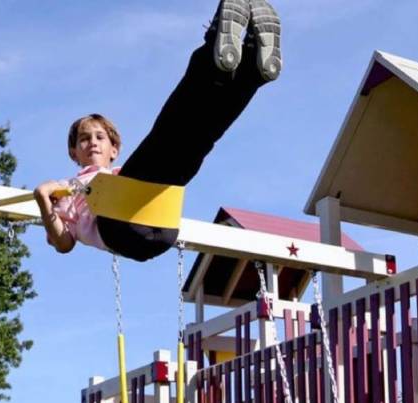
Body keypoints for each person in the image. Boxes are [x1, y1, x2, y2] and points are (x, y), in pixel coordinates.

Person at [34, 0, 281, 262]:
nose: (92, 143)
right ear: (74, 152)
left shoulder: (121, 174)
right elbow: (64, 243)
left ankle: (251, 73)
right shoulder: (64, 191)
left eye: (99, 137)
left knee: (197, 137)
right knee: (167, 134)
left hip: (159, 224)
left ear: (114, 150)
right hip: (120, 228)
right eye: (83, 139)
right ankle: (213, 50)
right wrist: (43, 199)